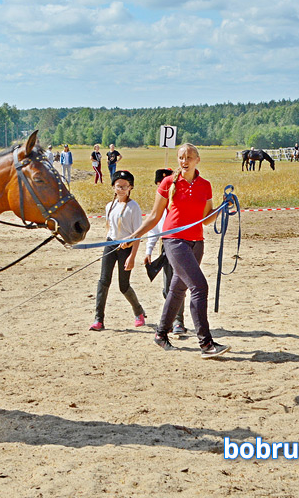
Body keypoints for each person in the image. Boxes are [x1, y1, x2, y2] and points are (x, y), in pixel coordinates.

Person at [127, 143, 229, 358]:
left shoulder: (205, 185)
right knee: (199, 287)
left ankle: (161, 334)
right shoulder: (168, 183)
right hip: (174, 241)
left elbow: (207, 219)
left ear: (197, 160)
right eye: (181, 157)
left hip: (196, 242)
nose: (184, 161)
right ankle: (206, 343)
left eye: (189, 157)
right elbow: (155, 216)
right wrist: (134, 236)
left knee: (177, 290)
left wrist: (220, 208)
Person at [89, 170, 146, 331]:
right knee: (103, 281)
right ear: (113, 187)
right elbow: (110, 228)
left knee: (123, 285)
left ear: (130, 187)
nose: (120, 189)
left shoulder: (133, 207)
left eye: (124, 186)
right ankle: (98, 319)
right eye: (118, 186)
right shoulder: (109, 206)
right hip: (111, 244)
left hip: (126, 247)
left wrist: (132, 256)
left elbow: (137, 235)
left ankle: (138, 311)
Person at [144, 168, 185, 334]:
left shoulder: (179, 204)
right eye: (160, 185)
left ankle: (178, 322)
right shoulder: (158, 208)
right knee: (167, 287)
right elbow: (154, 230)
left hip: (181, 246)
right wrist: (148, 251)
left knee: (177, 285)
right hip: (165, 246)